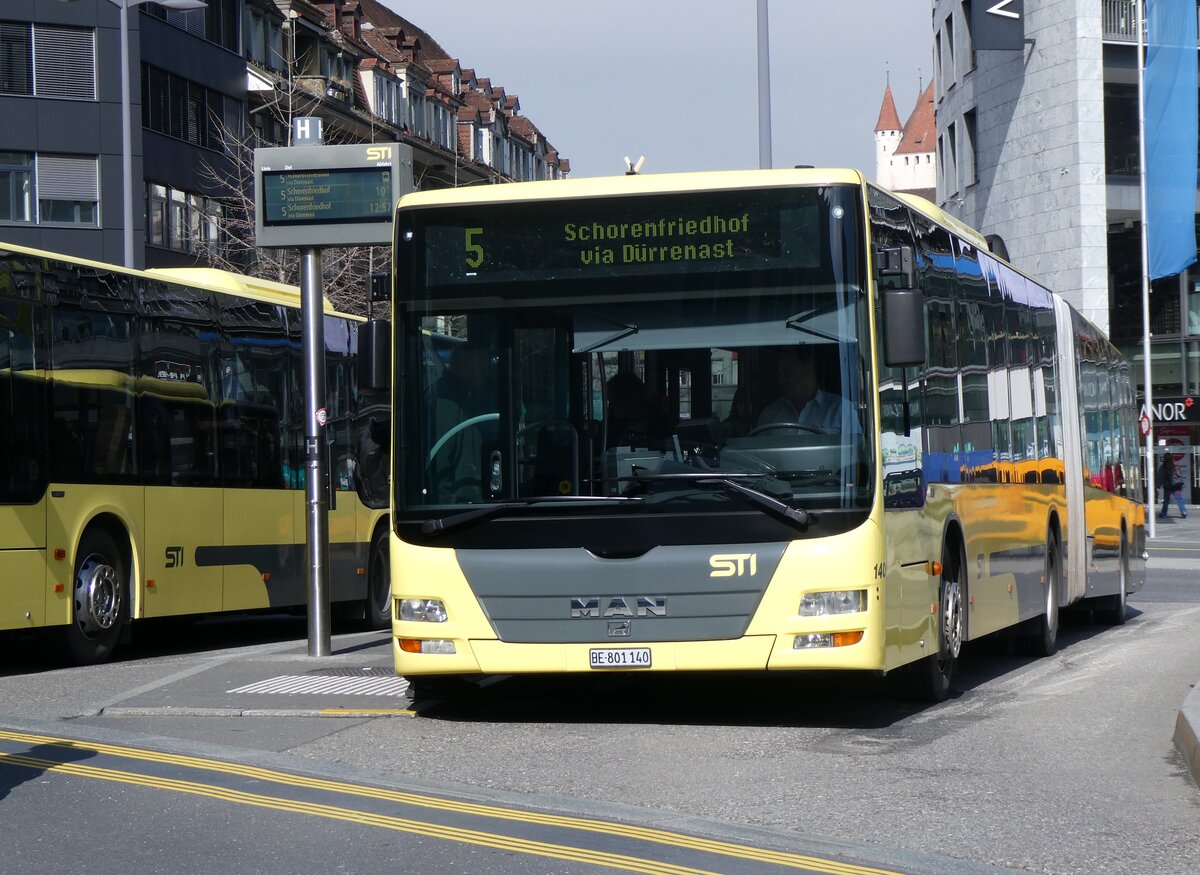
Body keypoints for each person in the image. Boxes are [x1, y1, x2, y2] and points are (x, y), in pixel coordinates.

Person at [756, 346, 859, 435]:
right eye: (780, 375)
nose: (781, 380)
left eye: (788, 373)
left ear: (809, 368)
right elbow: (756, 456)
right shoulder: (769, 415)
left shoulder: (842, 411)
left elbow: (858, 453)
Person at [1158, 452, 1187, 519]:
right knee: (1179, 499)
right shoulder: (1176, 465)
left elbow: (1160, 477)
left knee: (1166, 501)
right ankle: (1184, 512)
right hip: (1177, 486)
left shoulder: (1163, 467)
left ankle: (1164, 513)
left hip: (1168, 487)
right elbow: (1179, 475)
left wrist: (1158, 486)